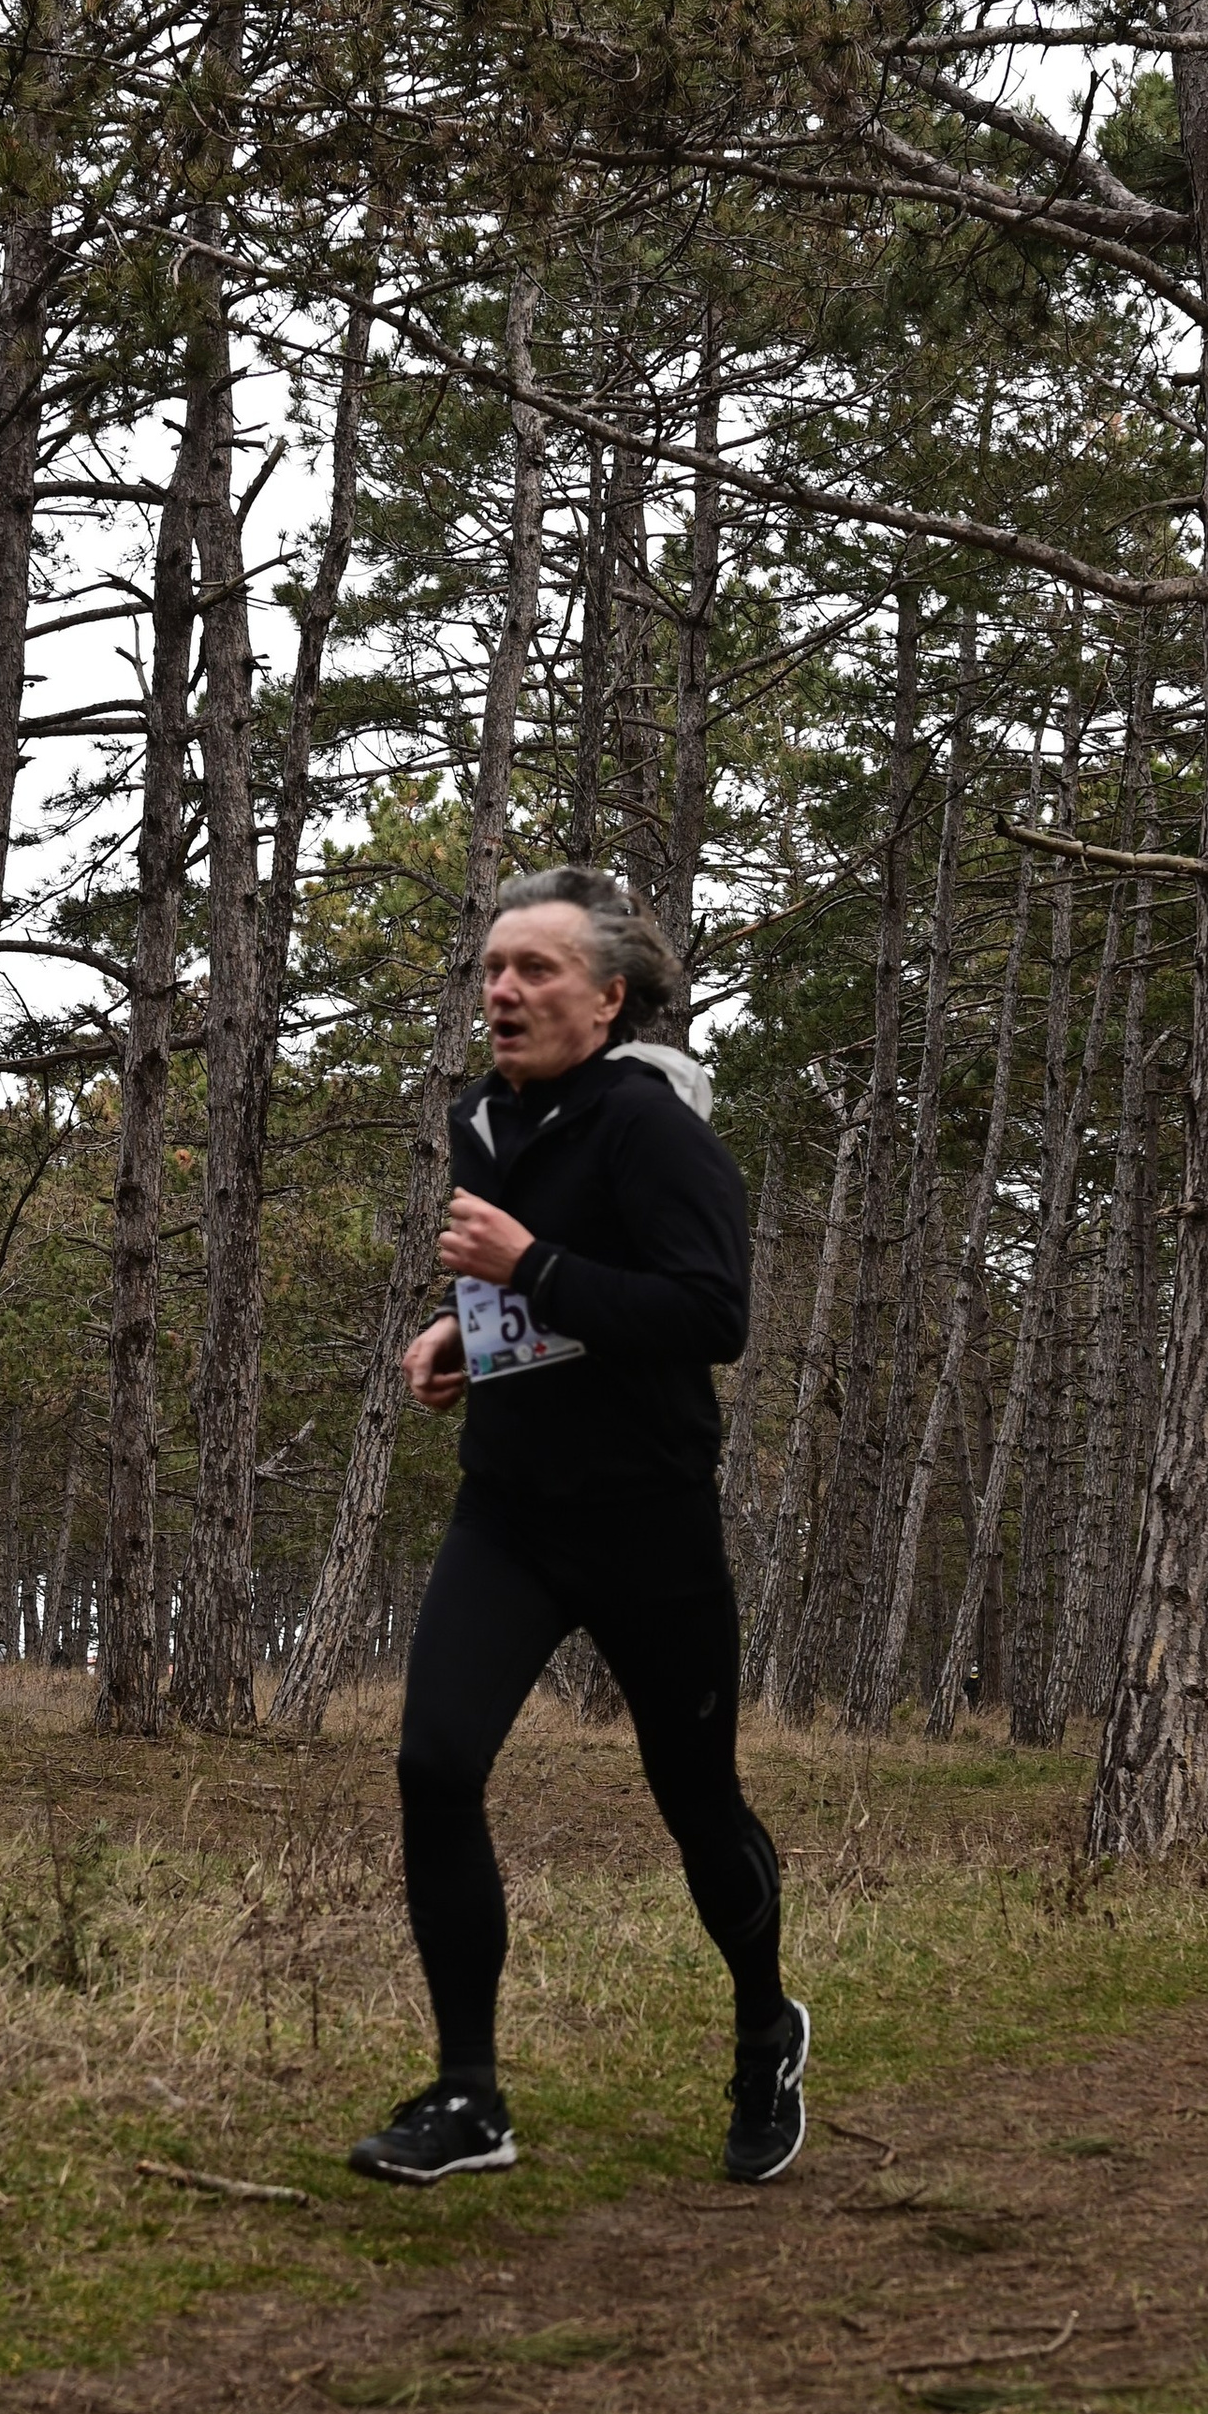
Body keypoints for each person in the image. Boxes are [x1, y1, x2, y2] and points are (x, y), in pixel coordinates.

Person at [348, 867, 808, 2189]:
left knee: (697, 1803)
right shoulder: (481, 1120)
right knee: (436, 1764)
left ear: (608, 1000)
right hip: (513, 1508)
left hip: (647, 1518)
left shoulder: (658, 1130)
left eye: (537, 969)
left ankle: (765, 2026)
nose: (503, 990)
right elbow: (513, 1291)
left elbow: (710, 1315)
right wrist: (459, 1337)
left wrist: (528, 1270)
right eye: (494, 968)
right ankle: (469, 2097)